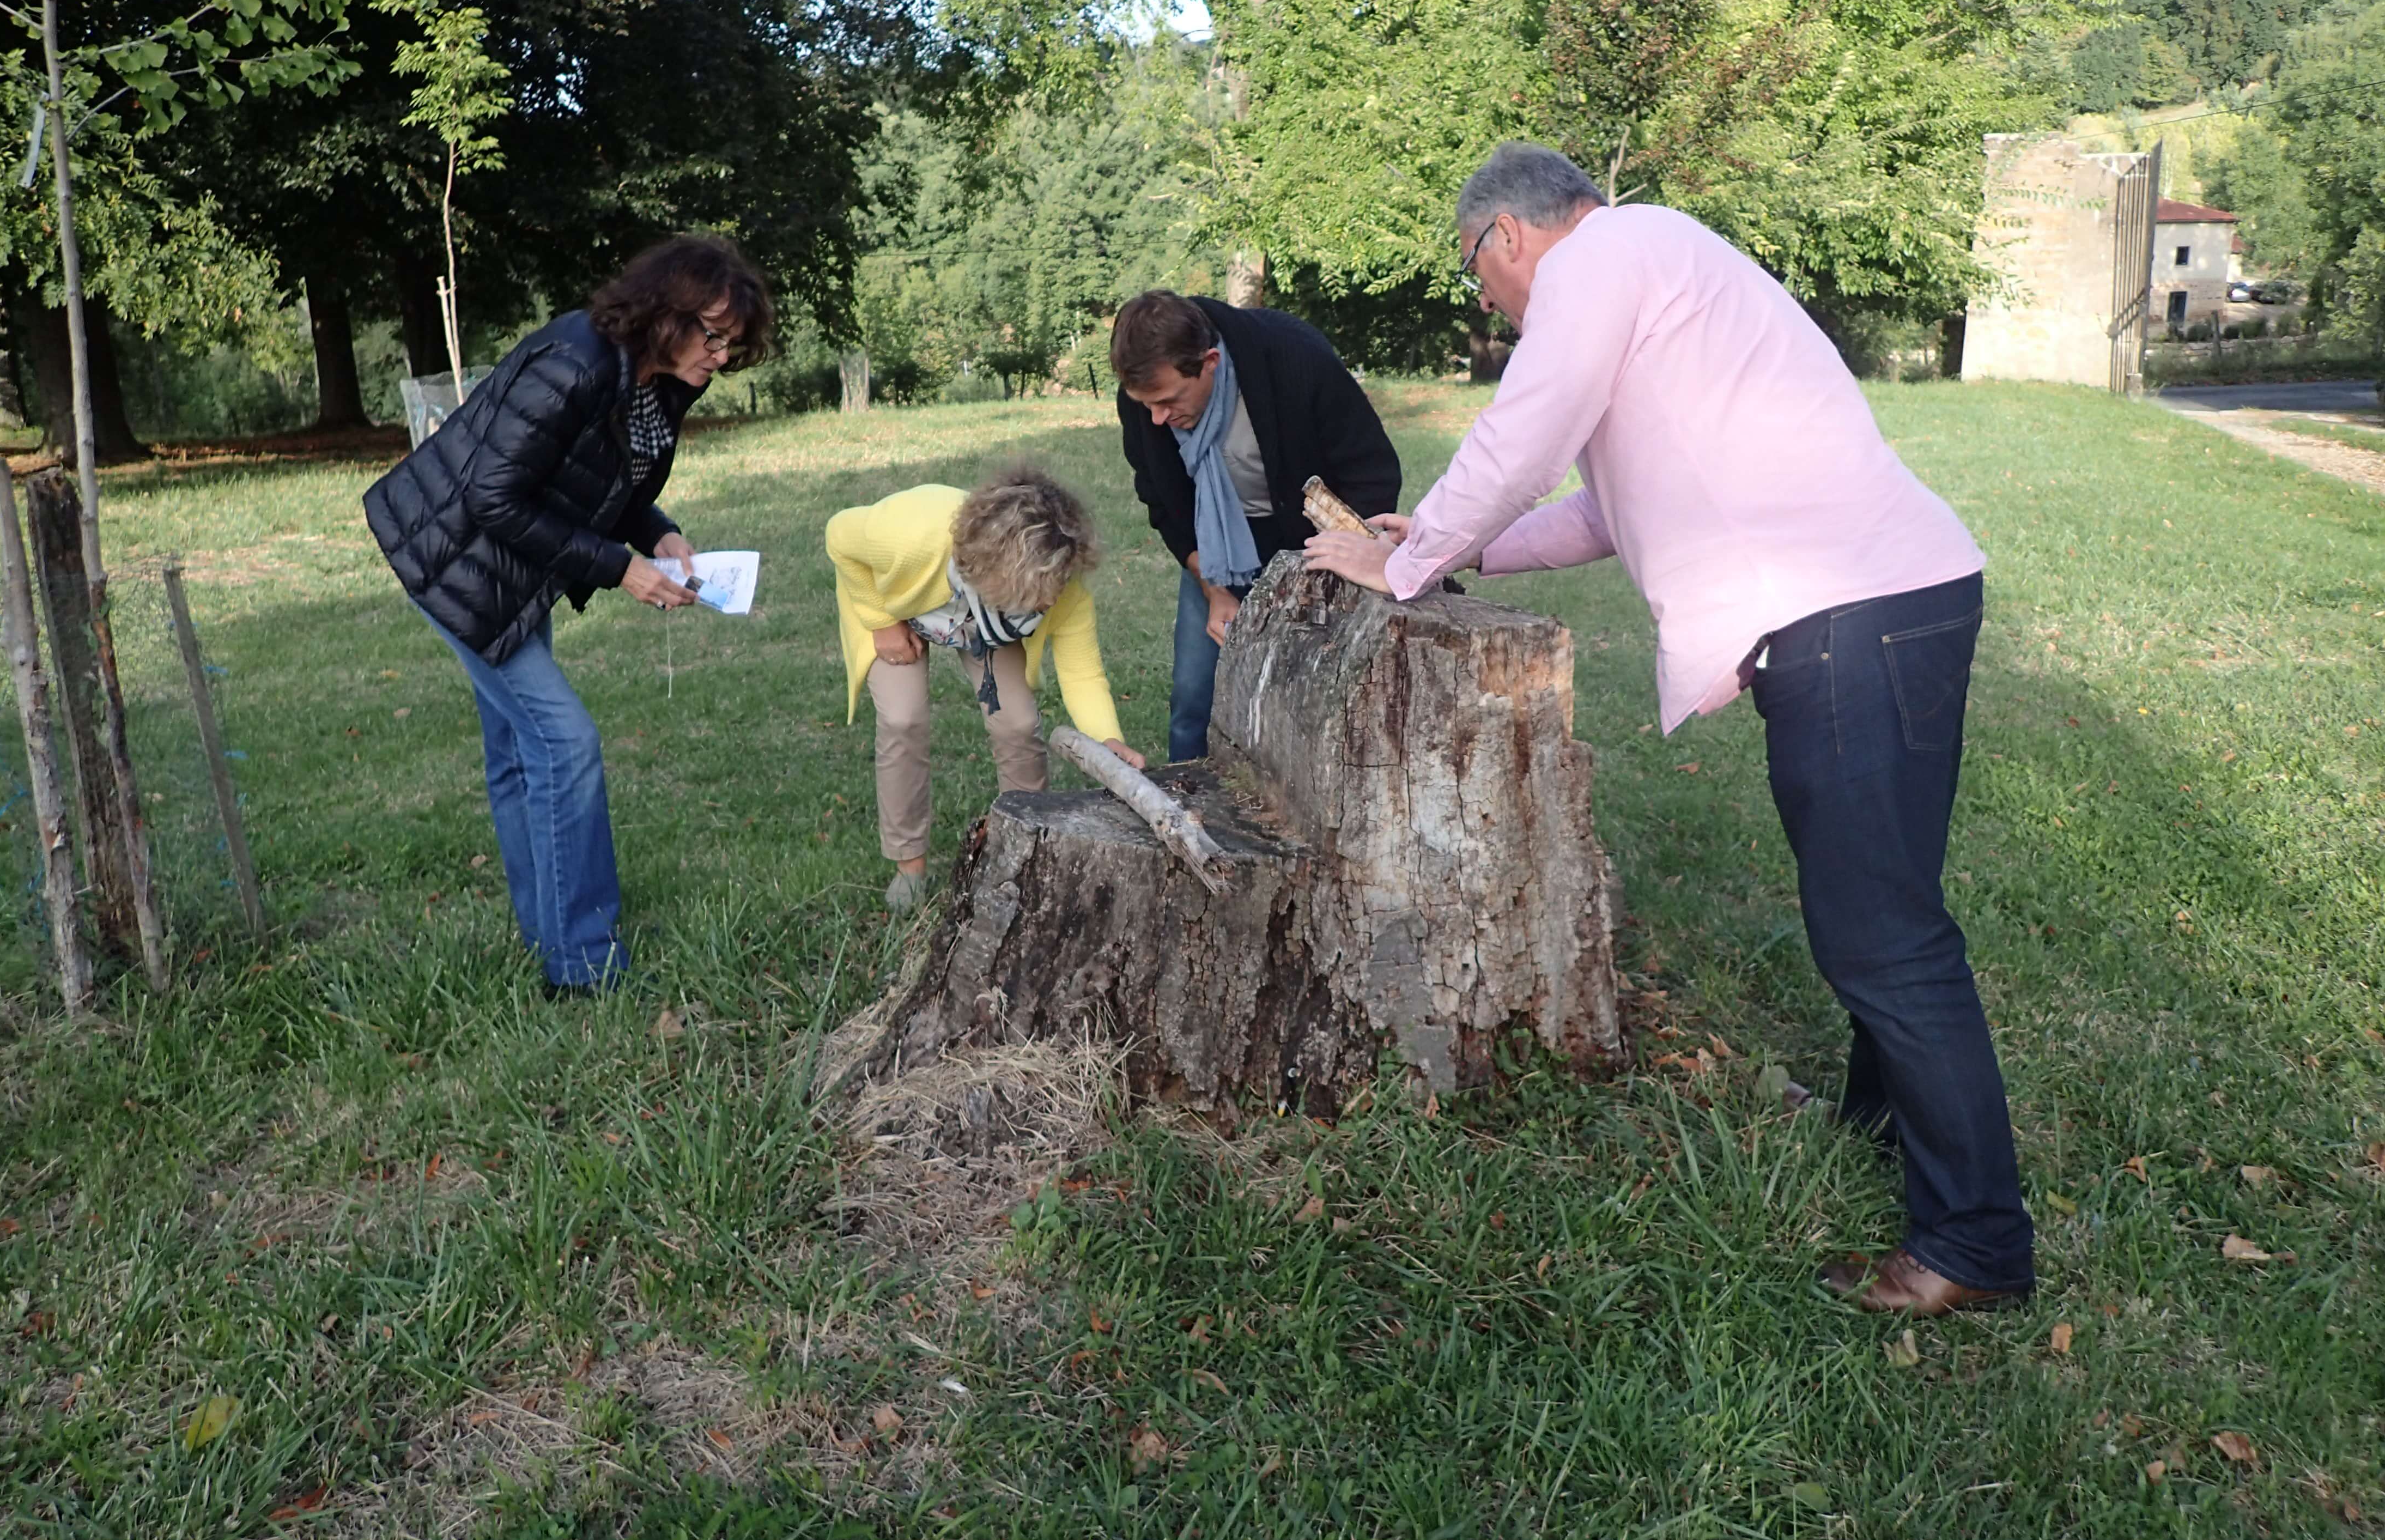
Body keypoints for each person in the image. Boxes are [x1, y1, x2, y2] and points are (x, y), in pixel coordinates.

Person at [1306, 142, 2030, 1316]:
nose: (1484, 300)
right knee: (1884, 906)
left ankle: (1976, 1247)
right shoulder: (1654, 268)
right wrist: (1459, 548)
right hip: (1889, 605)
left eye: (1473, 273)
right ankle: (1880, 1128)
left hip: (1856, 617)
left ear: (1505, 237)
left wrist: (1409, 560)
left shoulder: (1607, 257)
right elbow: (1605, 503)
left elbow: (1523, 431)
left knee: (1882, 937)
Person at [363, 233, 772, 997]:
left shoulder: (662, 379)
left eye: (732, 345)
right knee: (565, 742)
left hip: (516, 568)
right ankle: (583, 966)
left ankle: (549, 934)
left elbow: (603, 476)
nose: (720, 356)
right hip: (456, 561)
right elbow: (492, 496)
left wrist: (656, 532)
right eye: (714, 336)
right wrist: (621, 568)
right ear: (665, 312)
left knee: (523, 753)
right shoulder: (575, 363)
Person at [829, 467, 1146, 912]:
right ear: (1002, 573)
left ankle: (1030, 849)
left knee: (1017, 723)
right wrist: (881, 623)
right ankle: (909, 866)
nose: (1052, 601)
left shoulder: (1061, 584)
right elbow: (839, 534)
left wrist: (1108, 738)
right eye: (1041, 591)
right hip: (899, 613)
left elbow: (1083, 671)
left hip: (987, 628)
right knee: (904, 719)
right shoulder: (906, 535)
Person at [1112, 289, 1400, 761]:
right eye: (1146, 406)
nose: (1157, 419)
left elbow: (1372, 472)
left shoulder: (1295, 359)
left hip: (1311, 545)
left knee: (1307, 696)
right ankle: (1188, 811)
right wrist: (1214, 589)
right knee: (1193, 699)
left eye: (1167, 401)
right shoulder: (1146, 399)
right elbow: (1162, 501)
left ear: (1210, 362)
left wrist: (1338, 560)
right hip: (1217, 548)